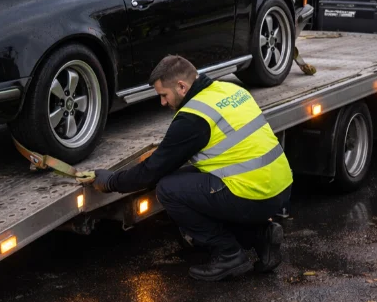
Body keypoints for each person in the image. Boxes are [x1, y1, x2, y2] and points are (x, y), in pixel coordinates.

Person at [79, 55, 293, 281]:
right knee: (196, 185)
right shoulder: (229, 90)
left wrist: (110, 180)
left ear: (182, 86)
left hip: (253, 194)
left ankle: (228, 254)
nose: (162, 103)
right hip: (280, 187)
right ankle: (261, 237)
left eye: (164, 95)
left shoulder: (193, 118)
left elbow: (149, 173)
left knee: (168, 189)